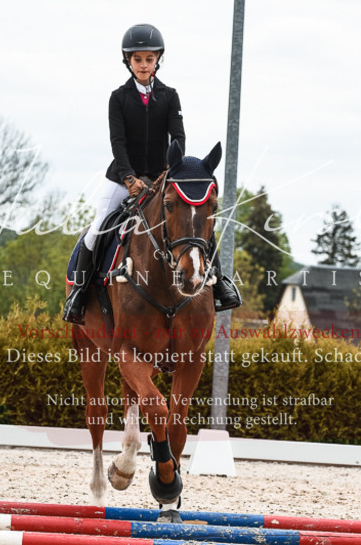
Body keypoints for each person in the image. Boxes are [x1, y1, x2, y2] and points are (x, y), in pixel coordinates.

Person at [62, 23, 241, 323]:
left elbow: (178, 138)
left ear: (158, 59)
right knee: (96, 230)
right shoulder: (118, 98)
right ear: (128, 61)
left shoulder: (170, 96)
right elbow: (117, 142)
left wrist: (167, 174)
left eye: (149, 58)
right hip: (122, 178)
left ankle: (220, 286)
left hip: (162, 178)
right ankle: (79, 295)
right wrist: (130, 178)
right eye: (137, 59)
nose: (143, 64)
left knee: (195, 227)